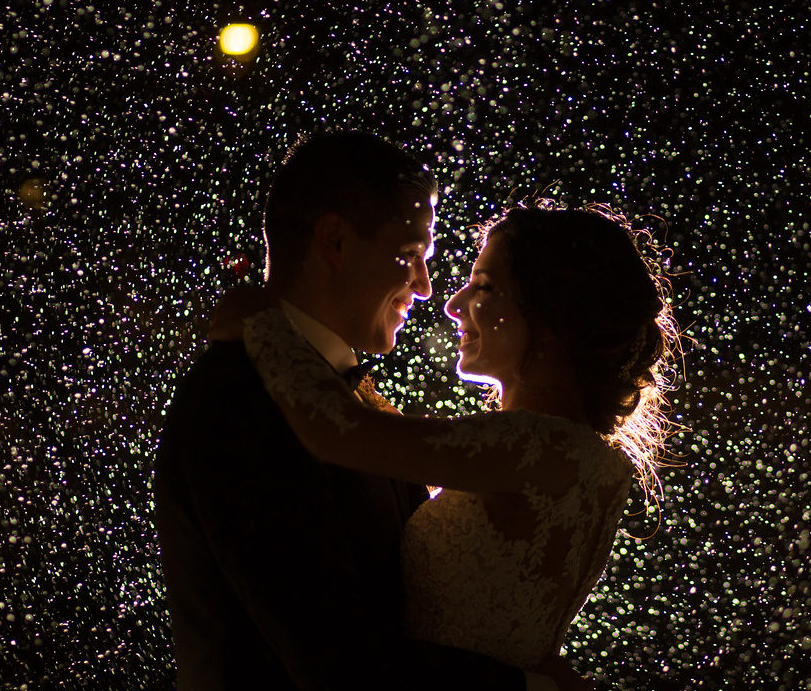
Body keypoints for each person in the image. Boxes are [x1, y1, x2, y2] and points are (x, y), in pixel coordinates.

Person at [153, 131, 582, 690]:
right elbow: (337, 661)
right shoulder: (239, 400)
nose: (426, 288)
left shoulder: (345, 407)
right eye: (409, 255)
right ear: (335, 241)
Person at [225, 199, 679, 676]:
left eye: (482, 287)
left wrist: (265, 322)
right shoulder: (594, 461)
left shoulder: (531, 445)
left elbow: (339, 433)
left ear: (550, 320)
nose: (453, 304)